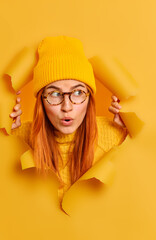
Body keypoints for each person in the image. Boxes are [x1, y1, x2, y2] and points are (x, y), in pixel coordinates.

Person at [9, 36, 128, 203]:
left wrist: (126, 134)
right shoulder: (20, 137)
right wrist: (7, 139)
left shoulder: (113, 135)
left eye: (78, 92)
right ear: (42, 100)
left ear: (89, 98)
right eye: (55, 94)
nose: (67, 107)